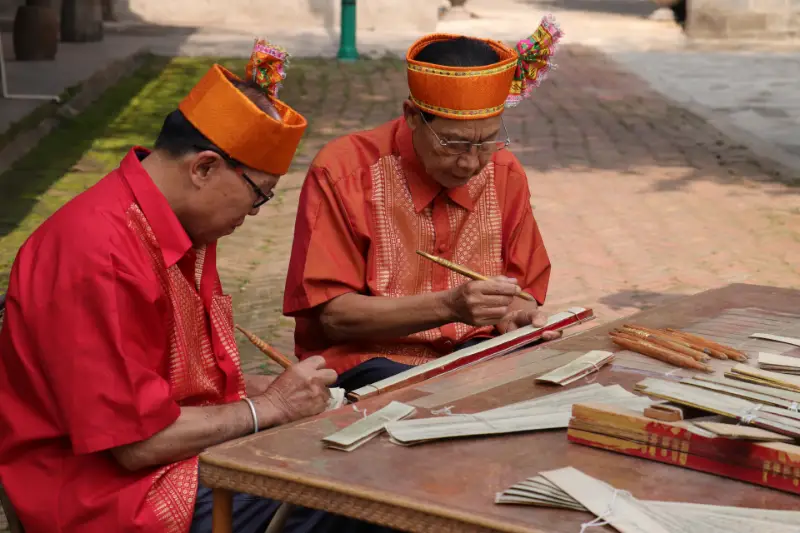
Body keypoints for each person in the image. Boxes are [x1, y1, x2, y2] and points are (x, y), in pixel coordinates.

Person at [0, 39, 397, 533]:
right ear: (204, 167)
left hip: (172, 455)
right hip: (109, 496)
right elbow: (135, 444)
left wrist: (281, 397)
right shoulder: (98, 251)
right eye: (257, 197)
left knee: (367, 419)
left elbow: (192, 388)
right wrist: (269, 408)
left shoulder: (179, 226)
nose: (252, 216)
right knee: (354, 494)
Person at [283, 17, 566, 392]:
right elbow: (335, 317)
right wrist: (449, 306)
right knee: (426, 401)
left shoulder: (503, 171)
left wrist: (516, 316)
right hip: (372, 360)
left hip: (477, 350)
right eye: (452, 144)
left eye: (486, 141)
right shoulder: (344, 171)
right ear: (413, 116)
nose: (469, 163)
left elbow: (522, 290)